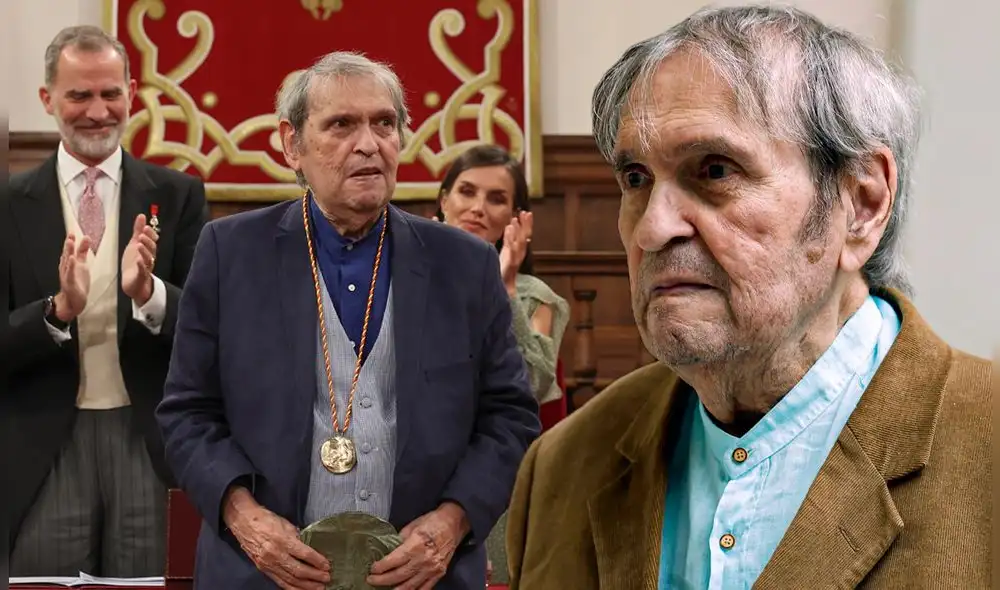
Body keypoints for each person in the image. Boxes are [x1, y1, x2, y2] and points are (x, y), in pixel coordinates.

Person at [505, 5, 992, 589]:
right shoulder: (561, 468)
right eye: (635, 178)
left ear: (861, 204)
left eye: (713, 170)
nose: (651, 229)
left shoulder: (984, 443)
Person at [156, 51, 540, 590]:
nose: (369, 144)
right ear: (292, 143)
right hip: (262, 573)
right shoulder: (229, 252)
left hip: (424, 576)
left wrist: (451, 524)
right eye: (341, 125)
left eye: (384, 123)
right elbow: (187, 414)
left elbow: (510, 417)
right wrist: (244, 519)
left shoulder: (464, 264)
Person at [4, 25, 208, 577]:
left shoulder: (178, 195)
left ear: (131, 92)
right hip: (43, 440)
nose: (98, 111)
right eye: (79, 95)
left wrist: (149, 294)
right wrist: (56, 312)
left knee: (148, 581)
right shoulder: (8, 204)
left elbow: (211, 329)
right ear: (47, 99)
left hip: (149, 439)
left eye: (110, 93)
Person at [435, 145, 570, 584]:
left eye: (496, 199)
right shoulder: (399, 280)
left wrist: (504, 287)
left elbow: (531, 384)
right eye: (466, 192)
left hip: (492, 476)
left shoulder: (536, 298)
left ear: (517, 216)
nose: (477, 208)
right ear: (443, 200)